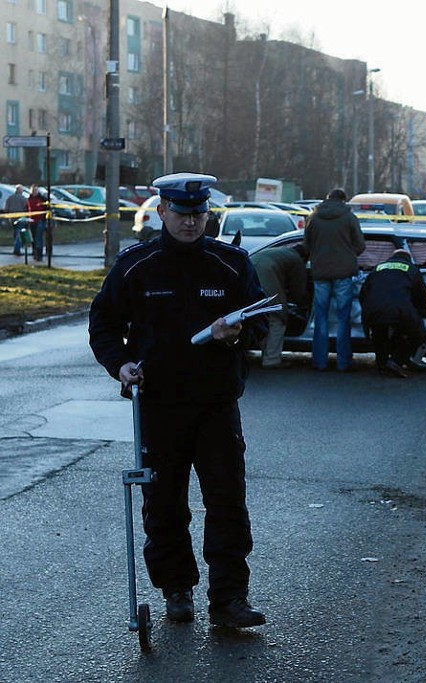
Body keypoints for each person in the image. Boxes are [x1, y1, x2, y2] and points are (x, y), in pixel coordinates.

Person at [89, 172, 268, 629]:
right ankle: (176, 590)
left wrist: (236, 334)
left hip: (215, 405)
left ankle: (229, 600)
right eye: (182, 214)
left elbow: (262, 323)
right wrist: (122, 366)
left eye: (198, 215)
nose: (191, 223)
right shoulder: (136, 266)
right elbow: (104, 326)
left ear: (208, 214)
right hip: (158, 406)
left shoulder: (231, 264)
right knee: (164, 504)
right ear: (162, 211)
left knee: (227, 502)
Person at [303, 187, 365, 371]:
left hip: (320, 274)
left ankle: (319, 361)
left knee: (320, 317)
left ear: (327, 198)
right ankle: (343, 362)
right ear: (343, 201)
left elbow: (306, 246)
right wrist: (348, 254)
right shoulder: (349, 218)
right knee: (343, 318)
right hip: (344, 274)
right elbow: (360, 245)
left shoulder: (313, 217)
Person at [359, 248, 426, 378]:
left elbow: (363, 293)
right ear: (408, 258)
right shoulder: (411, 269)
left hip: (374, 309)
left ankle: (381, 365)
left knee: (379, 334)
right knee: (419, 335)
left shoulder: (378, 268)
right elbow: (422, 296)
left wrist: (368, 310)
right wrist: (419, 311)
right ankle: (396, 361)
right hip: (400, 309)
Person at [250, 244, 310, 368]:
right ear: (305, 257)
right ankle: (271, 359)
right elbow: (297, 289)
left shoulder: (280, 252)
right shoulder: (296, 260)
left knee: (259, 318)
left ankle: (265, 353)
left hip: (248, 275)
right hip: (265, 277)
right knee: (278, 318)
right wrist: (304, 303)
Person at [5, 185, 28, 256]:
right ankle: (17, 249)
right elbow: (26, 208)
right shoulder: (23, 198)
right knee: (18, 234)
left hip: (12, 218)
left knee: (15, 233)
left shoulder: (10, 198)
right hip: (20, 218)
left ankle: (16, 247)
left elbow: (6, 208)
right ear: (20, 190)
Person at [26, 185, 47, 261]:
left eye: (36, 190)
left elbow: (47, 208)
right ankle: (34, 253)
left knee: (38, 238)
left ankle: (39, 255)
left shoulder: (42, 199)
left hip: (40, 221)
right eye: (33, 190)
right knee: (33, 238)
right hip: (32, 221)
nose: (34, 191)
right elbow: (27, 209)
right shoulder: (29, 199)